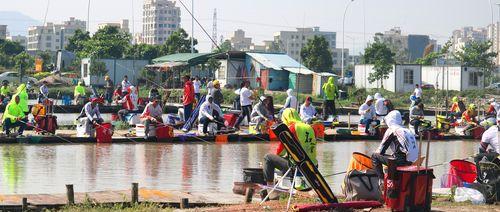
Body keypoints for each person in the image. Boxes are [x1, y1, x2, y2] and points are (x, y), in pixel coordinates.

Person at [263, 108, 317, 197]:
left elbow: (280, 151)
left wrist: (280, 157)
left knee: (268, 158)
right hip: (313, 165)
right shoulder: (311, 127)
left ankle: (271, 189)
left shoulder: (290, 128)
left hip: (298, 167)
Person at [371, 110, 419, 179]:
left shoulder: (392, 129)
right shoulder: (407, 130)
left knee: (374, 156)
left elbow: (380, 151)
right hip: (414, 161)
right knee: (393, 156)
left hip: (402, 162)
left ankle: (381, 182)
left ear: (390, 120)